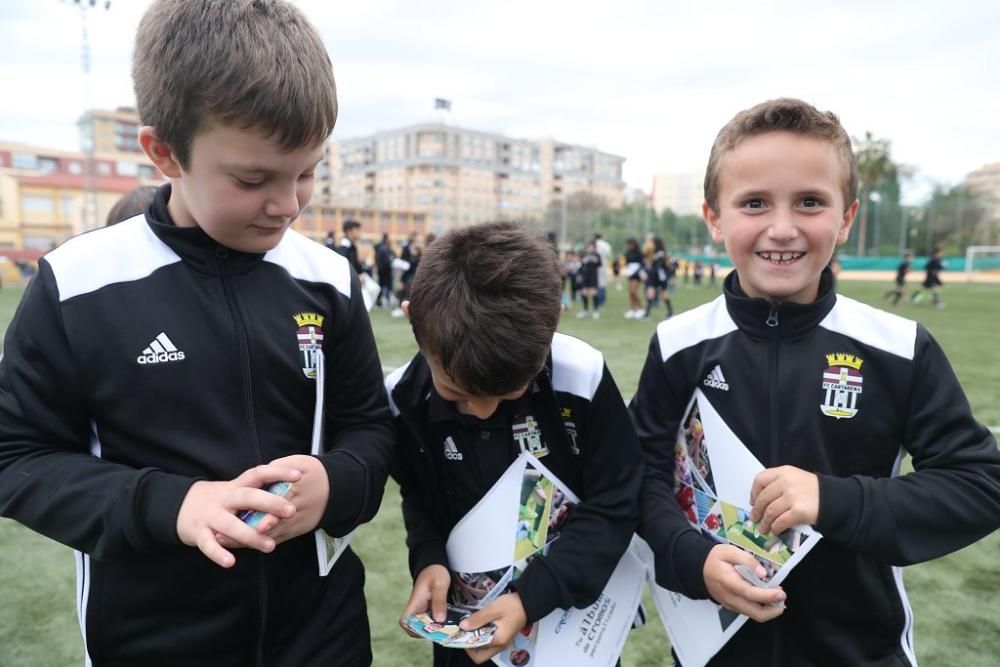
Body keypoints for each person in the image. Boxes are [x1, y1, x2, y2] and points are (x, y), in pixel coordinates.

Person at [0, 2, 394, 665]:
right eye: (253, 178)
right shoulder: (77, 285)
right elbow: (15, 458)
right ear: (163, 153)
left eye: (307, 171)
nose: (290, 203)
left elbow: (372, 429)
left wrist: (336, 482)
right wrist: (171, 504)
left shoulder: (327, 279)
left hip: (323, 637)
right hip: (156, 640)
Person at [631, 98, 1000, 666]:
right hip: (713, 651)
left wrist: (834, 500)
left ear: (846, 217)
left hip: (858, 650)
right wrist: (690, 558)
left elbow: (980, 484)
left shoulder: (897, 348)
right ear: (714, 217)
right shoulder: (679, 344)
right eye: (754, 203)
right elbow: (639, 475)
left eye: (809, 202)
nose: (782, 228)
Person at [387, 222, 641, 667]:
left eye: (507, 396)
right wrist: (428, 559)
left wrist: (530, 599)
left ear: (553, 323)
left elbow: (616, 503)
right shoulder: (403, 400)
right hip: (465, 639)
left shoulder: (581, 377)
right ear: (414, 321)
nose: (482, 411)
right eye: (456, 393)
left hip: (572, 632)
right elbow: (420, 498)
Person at [640, 236, 674, 320]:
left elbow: (658, 267)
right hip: (653, 277)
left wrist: (649, 271)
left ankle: (670, 312)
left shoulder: (660, 254)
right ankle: (647, 314)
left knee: (663, 295)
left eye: (651, 242)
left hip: (660, 278)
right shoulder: (652, 253)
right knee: (650, 293)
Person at [576, 240, 602, 318]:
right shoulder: (585, 254)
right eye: (589, 246)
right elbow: (581, 264)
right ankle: (585, 311)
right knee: (584, 293)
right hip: (585, 276)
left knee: (594, 293)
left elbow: (599, 264)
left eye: (591, 247)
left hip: (593, 276)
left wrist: (594, 260)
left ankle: (595, 311)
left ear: (594, 248)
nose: (590, 248)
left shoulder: (597, 255)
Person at [623, 237, 645, 318]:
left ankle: (641, 309)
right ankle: (633, 309)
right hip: (630, 273)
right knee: (630, 293)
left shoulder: (639, 253)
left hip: (637, 274)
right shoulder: (628, 252)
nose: (629, 246)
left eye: (630, 244)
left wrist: (641, 273)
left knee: (634, 292)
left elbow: (642, 264)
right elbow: (627, 262)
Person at [374, 233, 395, 309]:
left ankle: (378, 302)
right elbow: (389, 259)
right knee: (388, 286)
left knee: (380, 286)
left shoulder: (379, 247)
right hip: (386, 270)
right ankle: (387, 301)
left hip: (380, 270)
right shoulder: (386, 248)